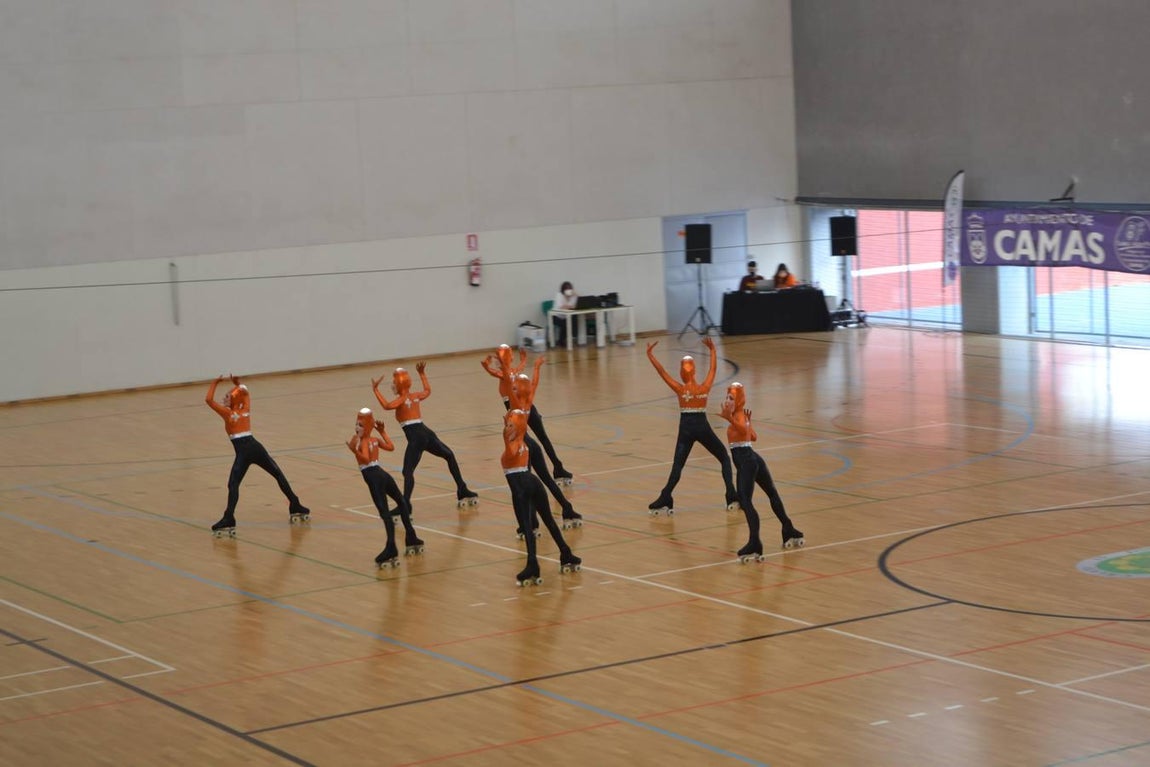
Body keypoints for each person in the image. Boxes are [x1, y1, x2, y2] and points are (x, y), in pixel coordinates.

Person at [205, 375, 310, 537]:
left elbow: (208, 400)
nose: (223, 399)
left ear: (232, 399)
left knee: (233, 484)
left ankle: (228, 518)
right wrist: (237, 384)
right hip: (255, 447)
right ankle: (295, 503)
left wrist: (215, 382)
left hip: (243, 452)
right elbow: (245, 393)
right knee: (277, 473)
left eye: (226, 396)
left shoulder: (227, 413)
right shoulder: (244, 408)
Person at [646, 337, 738, 515]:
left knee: (677, 466)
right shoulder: (704, 388)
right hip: (702, 427)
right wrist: (712, 350)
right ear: (694, 371)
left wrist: (651, 356)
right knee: (724, 458)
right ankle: (731, 494)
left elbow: (662, 372)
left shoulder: (680, 389)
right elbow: (713, 369)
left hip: (686, 429)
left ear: (681, 372)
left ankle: (666, 496)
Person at [372, 361, 478, 512]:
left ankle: (405, 505)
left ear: (399, 385)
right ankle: (462, 489)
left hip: (416, 437)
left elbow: (387, 406)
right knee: (449, 455)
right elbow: (427, 390)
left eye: (393, 383)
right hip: (427, 432)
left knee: (407, 472)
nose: (392, 386)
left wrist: (375, 390)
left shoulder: (401, 399)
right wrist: (422, 374)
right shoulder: (415, 396)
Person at [718, 382, 804, 560]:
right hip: (753, 457)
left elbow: (742, 429)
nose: (727, 400)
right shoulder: (741, 416)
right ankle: (788, 528)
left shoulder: (738, 416)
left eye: (731, 398)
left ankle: (754, 542)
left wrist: (732, 420)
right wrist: (748, 424)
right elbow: (753, 436)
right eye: (727, 397)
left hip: (746, 461)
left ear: (740, 400)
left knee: (746, 501)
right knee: (771, 493)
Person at [501, 408, 581, 586]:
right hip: (533, 485)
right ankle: (565, 552)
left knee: (530, 528)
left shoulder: (515, 446)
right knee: (547, 522)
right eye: (507, 424)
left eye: (510, 425)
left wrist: (507, 435)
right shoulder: (523, 444)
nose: (507, 428)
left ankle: (533, 564)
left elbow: (511, 451)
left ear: (518, 427)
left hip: (523, 489)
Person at [481, 344, 574, 484]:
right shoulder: (503, 374)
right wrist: (487, 367)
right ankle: (528, 474)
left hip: (528, 407)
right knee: (527, 444)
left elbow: (519, 369)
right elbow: (495, 372)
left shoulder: (513, 371)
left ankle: (558, 468)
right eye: (509, 353)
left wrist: (524, 359)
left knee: (543, 438)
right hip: (516, 413)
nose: (511, 355)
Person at [347, 408, 423, 568]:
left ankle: (391, 547)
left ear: (367, 426)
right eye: (356, 425)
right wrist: (383, 432)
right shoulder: (373, 439)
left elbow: (366, 460)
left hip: (374, 477)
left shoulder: (364, 442)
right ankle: (411, 536)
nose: (357, 428)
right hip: (382, 474)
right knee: (401, 502)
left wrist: (355, 451)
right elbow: (390, 446)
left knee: (385, 513)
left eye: (360, 425)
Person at [551, 281, 578, 347]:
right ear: (563, 290)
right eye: (566, 289)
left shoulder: (573, 296)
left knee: (574, 317)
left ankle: (572, 335)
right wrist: (567, 299)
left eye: (570, 289)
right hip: (556, 316)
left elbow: (575, 306)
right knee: (566, 323)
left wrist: (576, 295)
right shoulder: (559, 295)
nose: (568, 290)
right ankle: (561, 341)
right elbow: (561, 307)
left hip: (566, 316)